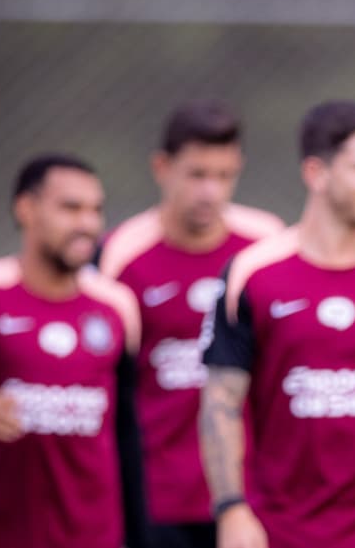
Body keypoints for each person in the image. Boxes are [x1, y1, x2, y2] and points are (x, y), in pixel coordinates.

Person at [199, 100, 355, 548]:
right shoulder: (252, 272)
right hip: (287, 531)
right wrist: (231, 509)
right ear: (316, 174)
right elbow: (221, 403)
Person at [0, 155, 147, 548]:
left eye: (96, 210)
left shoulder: (118, 305)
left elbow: (128, 431)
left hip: (95, 536)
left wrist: (139, 536)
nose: (88, 224)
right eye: (70, 208)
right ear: (26, 209)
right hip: (0, 533)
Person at [97, 98, 283, 548]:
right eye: (197, 175)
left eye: (224, 176)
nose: (211, 192)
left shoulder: (264, 245)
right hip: (156, 495)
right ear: (163, 167)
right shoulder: (121, 256)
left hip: (251, 494)